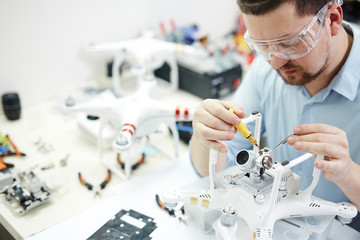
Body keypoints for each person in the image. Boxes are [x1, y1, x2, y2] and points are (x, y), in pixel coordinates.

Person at [190, 0, 360, 230]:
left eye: (290, 43)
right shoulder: (266, 68)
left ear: (332, 20)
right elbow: (217, 167)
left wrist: (349, 174)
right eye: (262, 46)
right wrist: (205, 136)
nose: (275, 61)